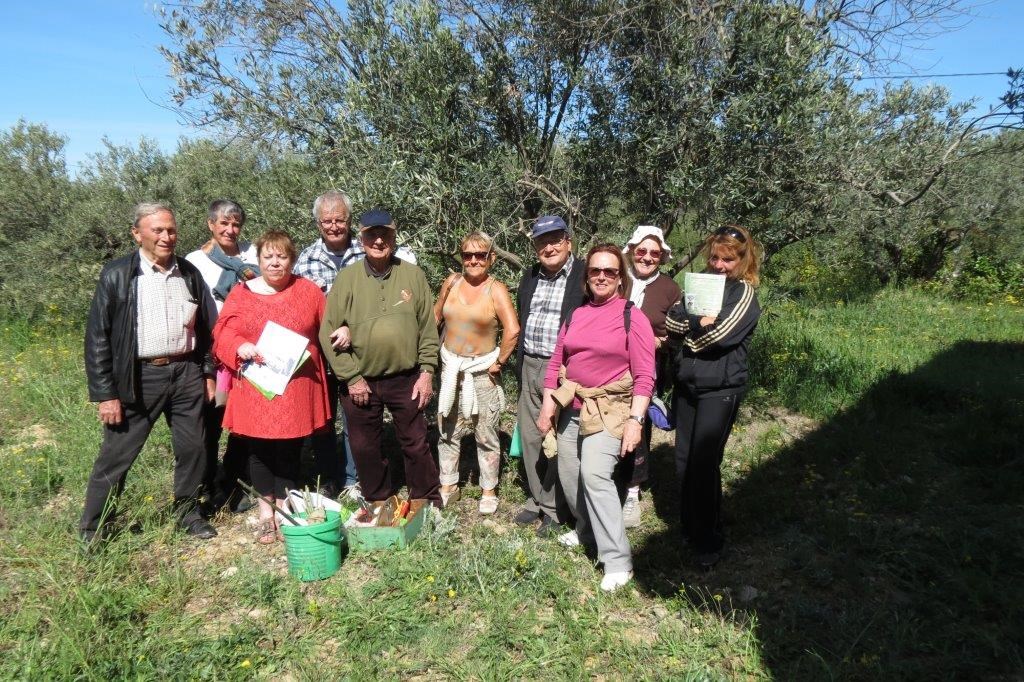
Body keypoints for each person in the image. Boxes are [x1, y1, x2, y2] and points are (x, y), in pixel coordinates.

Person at [80, 202, 217, 544]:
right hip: (139, 377)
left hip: (187, 372)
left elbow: (208, 328)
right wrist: (105, 394)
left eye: (170, 230)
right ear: (137, 233)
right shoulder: (118, 275)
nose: (166, 237)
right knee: (117, 455)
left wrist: (209, 372)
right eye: (157, 230)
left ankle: (187, 513)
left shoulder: (188, 273)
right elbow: (97, 337)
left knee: (194, 448)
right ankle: (93, 529)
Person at [537, 244, 656, 592]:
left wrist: (635, 420)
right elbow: (556, 364)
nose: (602, 276)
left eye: (610, 271)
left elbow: (646, 375)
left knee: (595, 475)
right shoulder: (575, 314)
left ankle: (618, 561)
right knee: (571, 474)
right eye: (595, 271)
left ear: (620, 278)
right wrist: (549, 405)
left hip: (610, 410)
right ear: (586, 277)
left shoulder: (632, 316)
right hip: (572, 407)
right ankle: (586, 531)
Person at [212, 230, 333, 544]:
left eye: (282, 256)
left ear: (292, 260)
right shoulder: (242, 293)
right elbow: (223, 332)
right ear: (259, 259)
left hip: (296, 384)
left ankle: (284, 508)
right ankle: (266, 509)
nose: (276, 263)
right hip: (257, 384)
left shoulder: (308, 291)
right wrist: (239, 346)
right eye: (269, 256)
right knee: (260, 449)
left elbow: (329, 324)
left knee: (290, 448)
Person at [294, 190, 417, 497]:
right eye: (327, 221)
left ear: (349, 221)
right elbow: (299, 307)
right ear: (317, 224)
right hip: (323, 354)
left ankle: (354, 480)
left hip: (362, 354)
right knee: (323, 418)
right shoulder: (306, 260)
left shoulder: (366, 249)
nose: (334, 226)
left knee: (356, 419)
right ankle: (328, 478)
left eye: (340, 220)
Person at [318, 209, 441, 505]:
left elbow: (428, 327)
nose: (378, 240)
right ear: (361, 239)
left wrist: (427, 372)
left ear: (393, 237)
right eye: (371, 235)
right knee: (364, 446)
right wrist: (351, 377)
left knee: (416, 442)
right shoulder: (347, 279)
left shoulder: (413, 275)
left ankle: (426, 499)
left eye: (384, 234)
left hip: (406, 376)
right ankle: (378, 500)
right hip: (362, 380)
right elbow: (328, 332)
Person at [665, 224, 761, 570]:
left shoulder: (743, 294)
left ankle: (710, 539)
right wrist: (696, 322)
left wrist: (689, 332)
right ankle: (691, 528)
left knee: (704, 463)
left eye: (728, 260)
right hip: (688, 386)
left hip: (720, 390)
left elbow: (719, 336)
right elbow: (671, 321)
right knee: (683, 460)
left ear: (742, 260)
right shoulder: (701, 284)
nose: (720, 265)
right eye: (716, 258)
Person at [434, 231, 520, 514]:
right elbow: (435, 317)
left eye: (479, 255)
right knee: (448, 428)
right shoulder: (452, 282)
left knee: (486, 431)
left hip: (482, 371)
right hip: (451, 369)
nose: (472, 260)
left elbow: (513, 329)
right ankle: (448, 484)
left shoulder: (496, 289)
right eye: (467, 255)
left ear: (491, 258)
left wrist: (499, 361)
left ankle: (488, 489)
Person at [514, 215, 586, 537]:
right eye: (543, 241)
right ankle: (536, 497)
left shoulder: (584, 275)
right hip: (530, 363)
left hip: (565, 370)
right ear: (535, 247)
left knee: (560, 440)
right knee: (530, 436)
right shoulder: (530, 276)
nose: (550, 246)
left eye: (556, 239)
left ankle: (556, 508)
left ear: (569, 242)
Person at [185, 199, 257, 513]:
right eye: (223, 223)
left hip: (248, 354)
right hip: (211, 354)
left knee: (244, 426)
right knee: (209, 425)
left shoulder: (251, 256)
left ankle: (232, 484)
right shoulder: (194, 262)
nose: (230, 229)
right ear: (210, 224)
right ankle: (208, 485)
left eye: (235, 223)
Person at [617, 226, 681, 527]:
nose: (646, 257)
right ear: (631, 251)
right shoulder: (617, 277)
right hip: (611, 364)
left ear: (662, 257)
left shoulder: (670, 289)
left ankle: (632, 490)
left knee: (637, 423)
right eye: (641, 251)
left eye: (654, 253)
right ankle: (609, 477)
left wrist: (657, 341)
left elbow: (679, 333)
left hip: (648, 366)